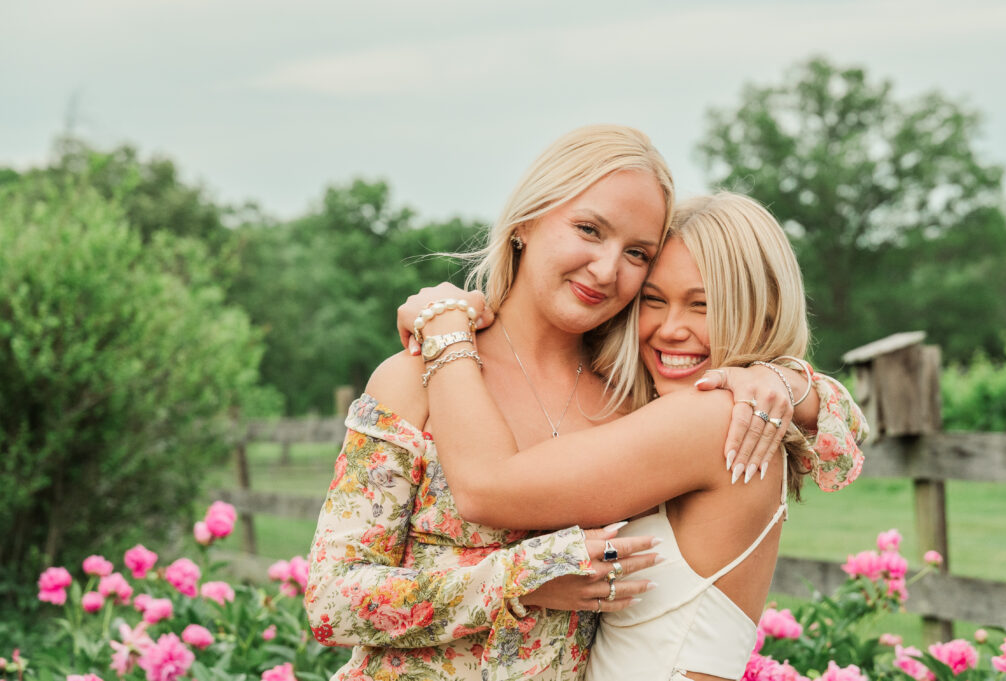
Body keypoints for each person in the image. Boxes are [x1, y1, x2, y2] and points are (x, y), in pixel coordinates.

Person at [305, 124, 863, 681]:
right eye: (589, 229)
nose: (606, 269)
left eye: (637, 253)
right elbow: (332, 601)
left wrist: (784, 378)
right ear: (526, 219)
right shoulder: (418, 379)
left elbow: (837, 440)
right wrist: (519, 581)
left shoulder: (637, 398)